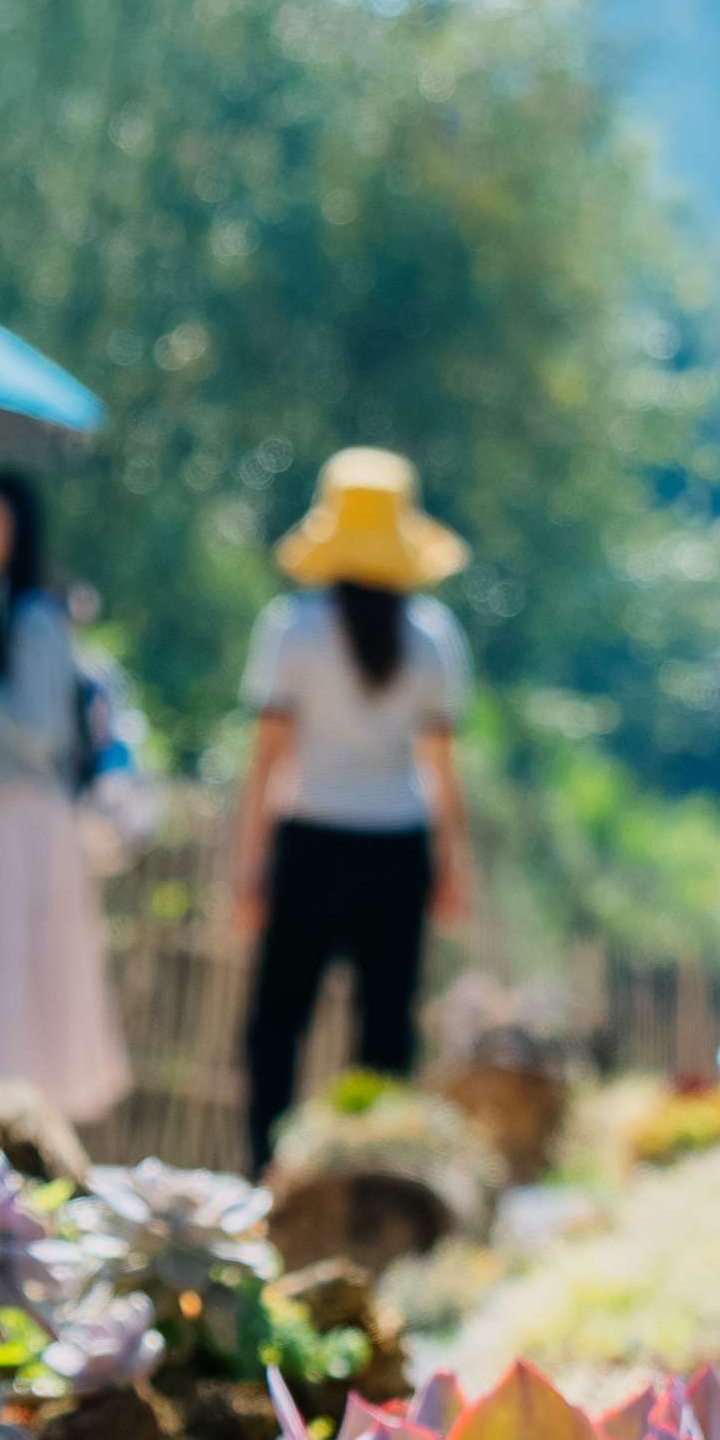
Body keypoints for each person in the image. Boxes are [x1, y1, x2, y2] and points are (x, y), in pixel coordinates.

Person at [231, 447, 475, 1171]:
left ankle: (265, 1175)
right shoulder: (433, 637)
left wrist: (249, 865)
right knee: (385, 1032)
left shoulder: (293, 628)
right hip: (399, 846)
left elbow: (268, 759)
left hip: (310, 842)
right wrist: (453, 867)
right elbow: (440, 769)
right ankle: (379, 1175)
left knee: (277, 1027)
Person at [0, 468, 128, 1126]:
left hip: (30, 830)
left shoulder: (36, 619)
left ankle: (22, 1154)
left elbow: (39, 738)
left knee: (26, 1000)